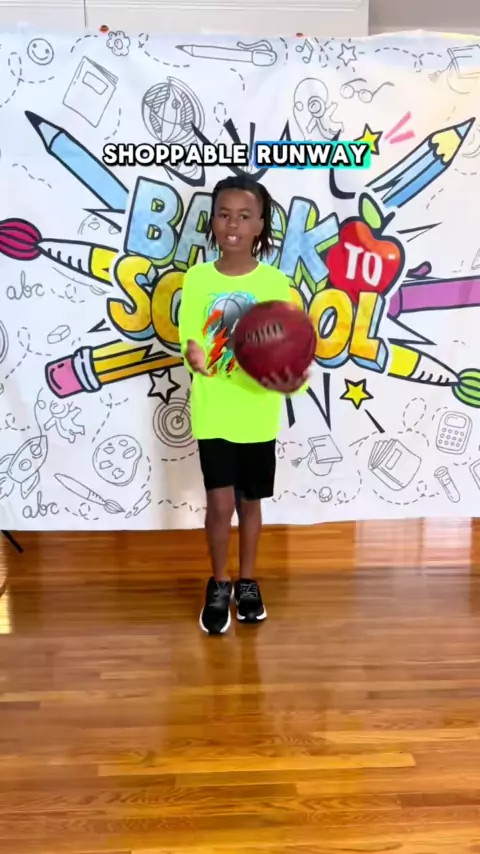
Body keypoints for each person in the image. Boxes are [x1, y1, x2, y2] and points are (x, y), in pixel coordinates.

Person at [178, 175, 307, 635]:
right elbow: (189, 337)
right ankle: (219, 584)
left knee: (250, 502)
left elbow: (288, 346)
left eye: (244, 216)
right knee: (219, 504)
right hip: (213, 410)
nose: (232, 224)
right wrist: (195, 355)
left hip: (257, 413)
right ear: (212, 221)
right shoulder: (197, 279)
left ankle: (247, 582)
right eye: (224, 214)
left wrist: (291, 377)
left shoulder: (275, 282)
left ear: (259, 225)